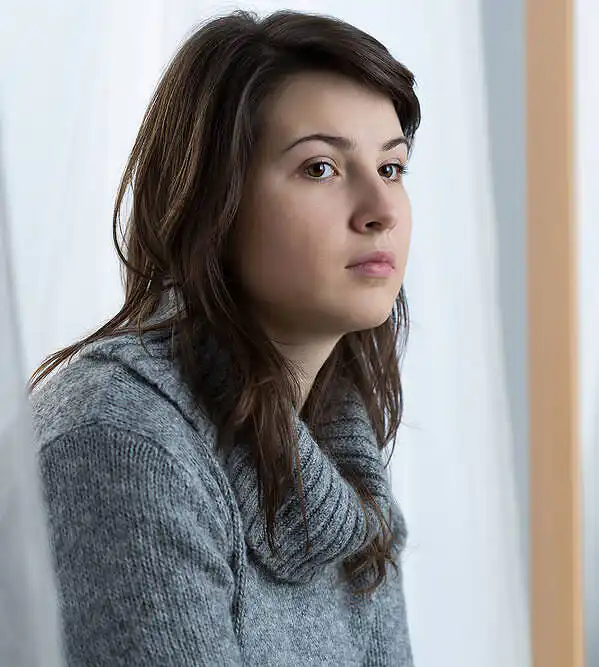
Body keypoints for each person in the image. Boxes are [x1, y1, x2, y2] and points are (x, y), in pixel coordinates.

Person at [30, 10, 419, 665]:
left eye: (392, 168)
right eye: (321, 168)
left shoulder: (342, 454)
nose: (380, 209)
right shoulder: (123, 438)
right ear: (218, 200)